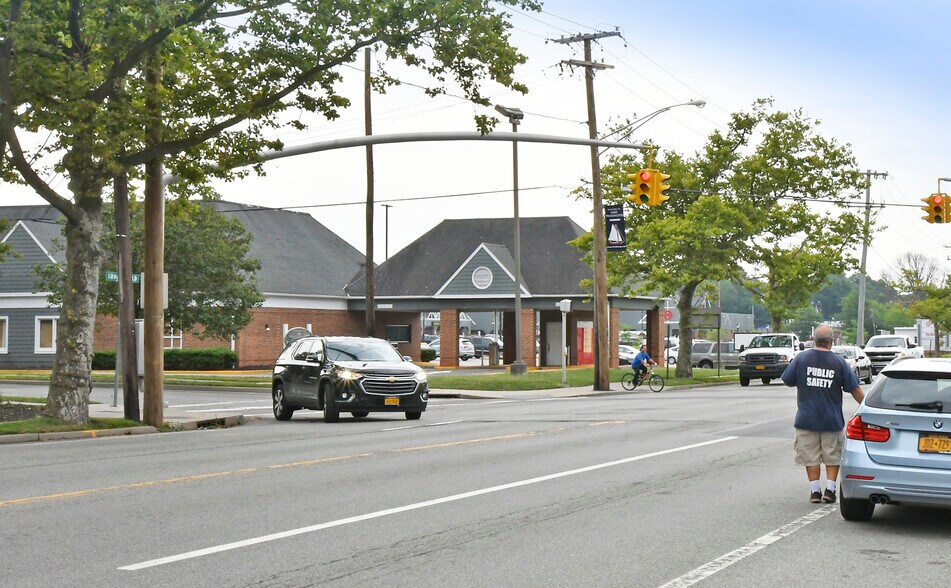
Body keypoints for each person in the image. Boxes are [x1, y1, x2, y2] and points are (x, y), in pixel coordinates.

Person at [781, 324, 864, 504]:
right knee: (832, 455)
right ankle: (830, 490)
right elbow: (854, 388)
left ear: (814, 340)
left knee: (810, 456)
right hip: (831, 419)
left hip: (806, 418)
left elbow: (787, 380)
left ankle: (815, 491)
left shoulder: (801, 358)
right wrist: (866, 407)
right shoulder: (839, 362)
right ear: (831, 342)